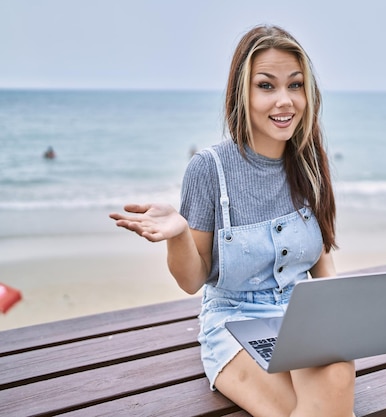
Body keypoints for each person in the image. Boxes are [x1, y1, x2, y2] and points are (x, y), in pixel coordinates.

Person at [109, 25, 355, 417]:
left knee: (339, 374)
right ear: (241, 92)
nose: (285, 101)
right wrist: (179, 236)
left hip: (300, 317)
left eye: (295, 85)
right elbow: (192, 280)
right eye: (266, 86)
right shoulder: (209, 169)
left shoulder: (309, 165)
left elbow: (322, 265)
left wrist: (348, 324)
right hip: (235, 320)